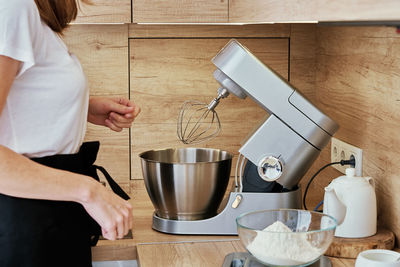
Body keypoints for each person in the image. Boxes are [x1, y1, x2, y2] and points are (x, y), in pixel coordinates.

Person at [0, 0, 141, 266]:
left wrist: (80, 106)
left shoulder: (29, 11)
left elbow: (19, 98)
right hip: (25, 224)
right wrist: (90, 191)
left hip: (50, 215)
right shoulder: (12, 7)